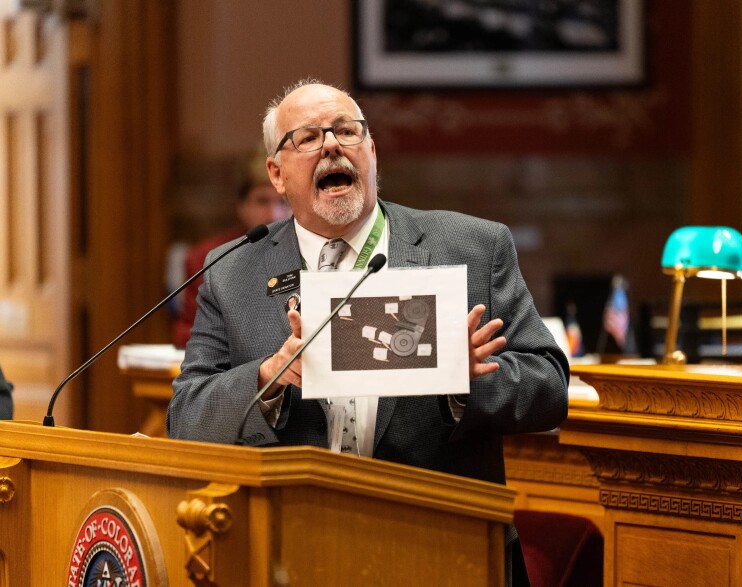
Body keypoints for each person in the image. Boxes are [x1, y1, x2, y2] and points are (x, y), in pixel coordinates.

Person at [167, 80, 569, 585]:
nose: (331, 145)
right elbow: (186, 419)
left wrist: (462, 380)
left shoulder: (472, 247)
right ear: (276, 174)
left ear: (372, 153)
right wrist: (269, 376)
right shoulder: (230, 272)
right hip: (292, 556)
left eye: (346, 131)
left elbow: (550, 387)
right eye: (307, 138)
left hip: (444, 551)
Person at [172, 176, 290, 348]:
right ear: (242, 207)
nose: (274, 214)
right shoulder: (209, 257)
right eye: (262, 201)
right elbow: (188, 332)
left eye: (283, 202)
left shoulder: (311, 253)